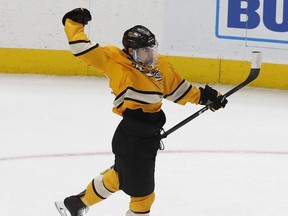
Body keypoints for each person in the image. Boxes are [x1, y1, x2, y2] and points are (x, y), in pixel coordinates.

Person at [56, 8, 228, 216]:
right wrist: (73, 23)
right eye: (145, 51)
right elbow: (82, 48)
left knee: (119, 178)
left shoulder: (160, 66)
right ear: (130, 51)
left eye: (152, 49)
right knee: (143, 195)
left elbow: (178, 91)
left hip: (146, 134)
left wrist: (206, 97)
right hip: (132, 136)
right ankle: (75, 204)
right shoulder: (115, 61)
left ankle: (74, 204)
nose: (150, 55)